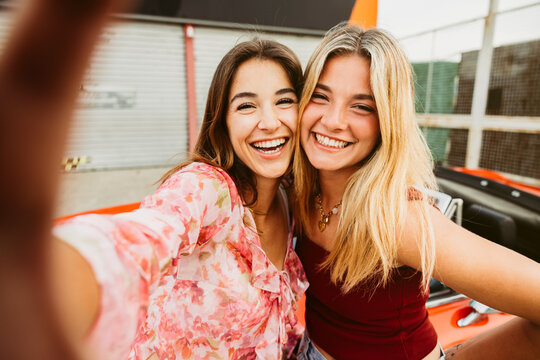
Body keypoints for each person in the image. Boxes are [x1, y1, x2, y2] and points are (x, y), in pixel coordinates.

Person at [47, 37, 309, 360]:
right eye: (246, 105)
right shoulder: (206, 189)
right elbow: (146, 234)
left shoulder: (291, 198)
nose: (269, 122)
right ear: (223, 122)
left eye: (284, 101)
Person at [292, 24, 540, 360]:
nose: (333, 120)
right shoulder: (299, 190)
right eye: (320, 96)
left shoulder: (401, 219)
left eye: (362, 106)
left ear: (387, 122)